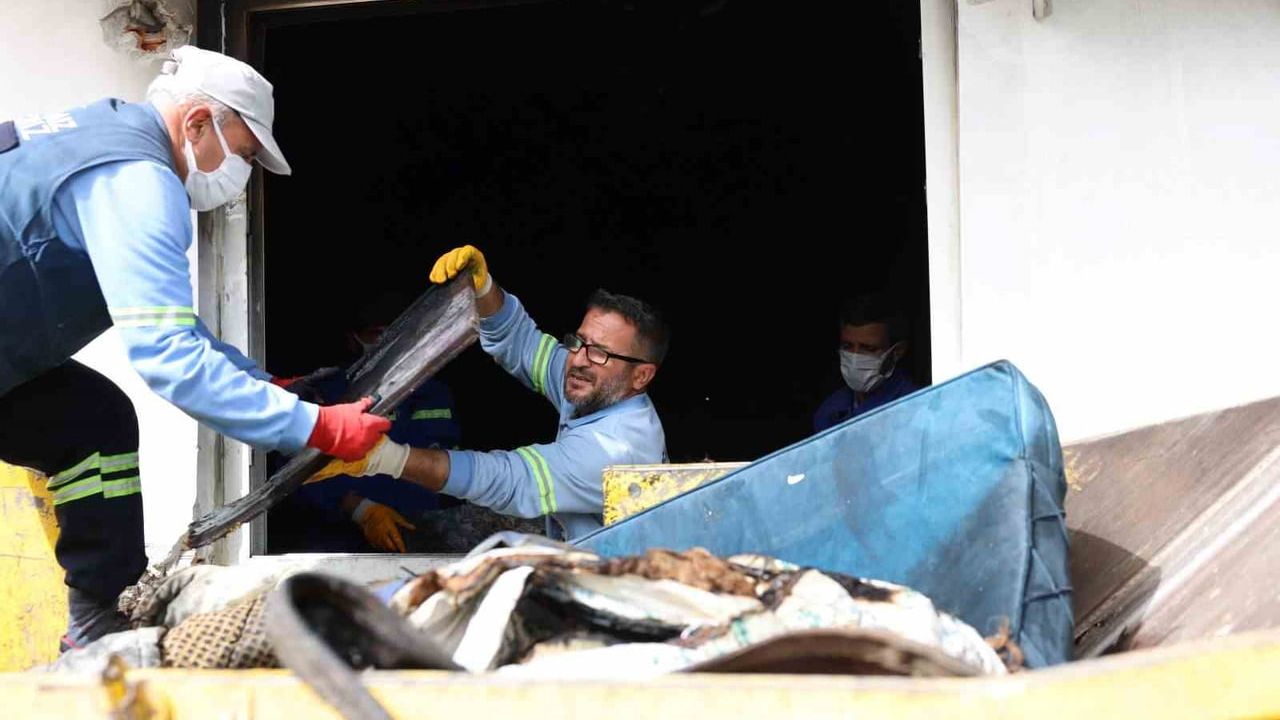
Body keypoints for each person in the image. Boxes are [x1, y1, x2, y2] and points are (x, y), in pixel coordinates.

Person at [0, 46, 387, 650]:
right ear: (199, 122)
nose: (243, 173)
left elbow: (169, 322)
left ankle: (97, 622)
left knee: (92, 421)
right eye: (246, 154)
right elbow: (170, 357)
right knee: (90, 418)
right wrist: (316, 427)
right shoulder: (137, 179)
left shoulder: (107, 139)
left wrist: (259, 384)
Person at [309, 245, 668, 540]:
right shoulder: (596, 386)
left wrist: (384, 458)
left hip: (615, 587)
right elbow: (523, 343)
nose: (578, 360)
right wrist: (484, 288)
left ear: (642, 376)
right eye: (579, 341)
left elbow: (508, 479)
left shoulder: (616, 450)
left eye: (600, 352)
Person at [813, 295, 919, 433]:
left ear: (897, 352)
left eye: (868, 348)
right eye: (847, 346)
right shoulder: (830, 411)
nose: (855, 357)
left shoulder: (915, 408)